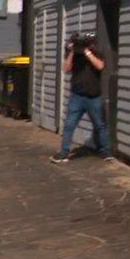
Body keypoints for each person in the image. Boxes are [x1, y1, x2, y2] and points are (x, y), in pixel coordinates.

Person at [49, 32, 113, 163]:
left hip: (93, 96)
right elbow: (66, 69)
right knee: (69, 125)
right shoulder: (74, 55)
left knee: (99, 125)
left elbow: (100, 66)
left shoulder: (96, 53)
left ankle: (105, 151)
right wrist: (73, 52)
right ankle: (64, 152)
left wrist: (87, 53)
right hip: (77, 96)